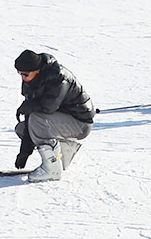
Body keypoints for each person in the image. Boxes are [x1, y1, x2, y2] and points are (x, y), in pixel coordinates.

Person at [13, 50, 94, 183]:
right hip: (62, 120)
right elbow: (29, 118)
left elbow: (48, 107)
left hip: (80, 123)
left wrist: (29, 105)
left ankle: (52, 169)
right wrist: (24, 152)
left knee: (37, 120)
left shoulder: (58, 77)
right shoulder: (32, 81)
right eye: (19, 74)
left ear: (37, 70)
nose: (23, 78)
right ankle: (62, 155)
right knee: (22, 128)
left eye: (25, 74)